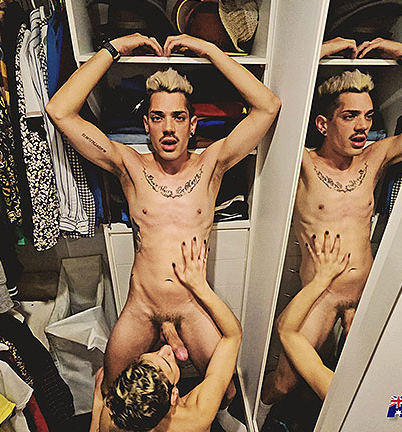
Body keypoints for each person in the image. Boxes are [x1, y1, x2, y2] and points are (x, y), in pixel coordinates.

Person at [47, 33, 280, 431]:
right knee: (112, 389)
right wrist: (114, 49)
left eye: (178, 117)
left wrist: (209, 50)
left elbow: (267, 106)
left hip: (191, 305)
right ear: (146, 124)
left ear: (192, 124)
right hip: (142, 305)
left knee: (225, 392)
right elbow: (60, 110)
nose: (168, 128)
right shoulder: (129, 165)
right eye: (158, 117)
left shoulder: (212, 164)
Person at [258, 37, 402, 421]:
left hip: (365, 292)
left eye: (368, 116)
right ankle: (248, 413)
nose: (362, 127)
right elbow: (273, 103)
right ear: (323, 123)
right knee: (284, 384)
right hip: (320, 294)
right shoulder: (303, 164)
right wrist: (322, 50)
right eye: (350, 116)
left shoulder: (376, 157)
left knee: (368, 381)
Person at [89, 238, 243, 431]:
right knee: (228, 391)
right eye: (167, 361)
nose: (165, 349)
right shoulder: (198, 416)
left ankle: (168, 330)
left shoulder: (114, 417)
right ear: (174, 396)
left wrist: (97, 402)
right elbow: (233, 336)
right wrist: (201, 287)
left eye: (152, 355)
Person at [277, 232, 350, 400]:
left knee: (283, 384)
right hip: (354, 296)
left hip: (325, 286)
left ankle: (262, 410)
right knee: (285, 382)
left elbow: (286, 330)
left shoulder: (341, 398)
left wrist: (321, 280)